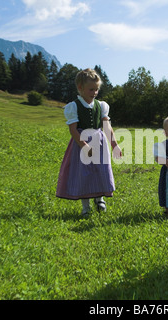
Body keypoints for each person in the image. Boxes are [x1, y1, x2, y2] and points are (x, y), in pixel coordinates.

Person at [56, 68, 122, 217]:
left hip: (99, 142)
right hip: (81, 143)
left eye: (97, 89)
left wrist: (114, 145)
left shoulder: (101, 106)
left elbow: (107, 126)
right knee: (83, 173)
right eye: (91, 89)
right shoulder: (74, 106)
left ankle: (100, 199)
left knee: (101, 170)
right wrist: (84, 146)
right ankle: (85, 206)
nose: (95, 92)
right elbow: (73, 130)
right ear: (80, 88)